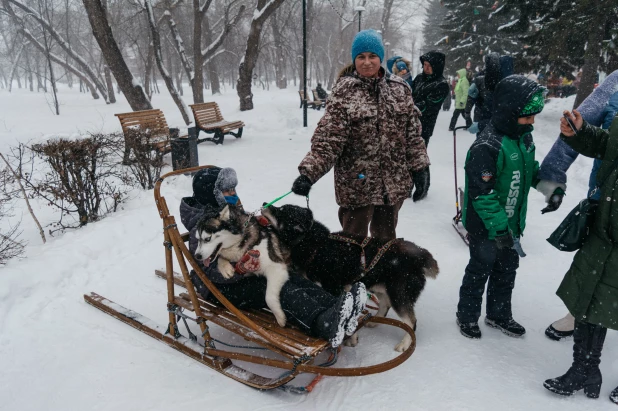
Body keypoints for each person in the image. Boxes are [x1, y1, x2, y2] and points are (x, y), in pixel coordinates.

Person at [180, 166, 367, 348]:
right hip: (220, 289)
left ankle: (337, 307)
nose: (233, 193)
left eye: (233, 188)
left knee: (289, 277)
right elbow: (211, 272)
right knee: (279, 289)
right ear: (211, 195)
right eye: (226, 190)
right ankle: (323, 322)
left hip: (248, 274)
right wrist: (240, 269)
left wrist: (260, 227)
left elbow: (245, 238)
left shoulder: (230, 214)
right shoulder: (202, 229)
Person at [290, 29, 430, 240]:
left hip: (391, 183)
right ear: (354, 60)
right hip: (356, 184)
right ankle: (353, 273)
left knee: (385, 242)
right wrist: (308, 173)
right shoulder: (344, 92)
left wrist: (420, 167)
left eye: (372, 56)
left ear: (380, 58)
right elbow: (329, 139)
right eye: (361, 57)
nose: (367, 62)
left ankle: (381, 272)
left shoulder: (399, 89)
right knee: (351, 243)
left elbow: (412, 136)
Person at [455, 76, 560, 339]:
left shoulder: (523, 139)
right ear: (509, 112)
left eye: (534, 117)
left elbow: (530, 172)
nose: (532, 122)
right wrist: (498, 228)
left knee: (506, 270)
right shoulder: (487, 146)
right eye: (527, 117)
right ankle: (466, 316)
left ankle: (498, 314)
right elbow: (482, 194)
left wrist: (551, 190)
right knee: (480, 269)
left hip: (511, 225)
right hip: (486, 226)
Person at [543, 109, 618, 405]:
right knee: (590, 301)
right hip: (605, 231)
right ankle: (584, 370)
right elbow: (609, 146)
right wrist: (581, 131)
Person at [537, 70, 618, 341]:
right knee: (594, 258)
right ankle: (579, 312)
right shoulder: (616, 82)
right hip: (606, 195)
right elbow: (577, 127)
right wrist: (552, 178)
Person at [464, 53, 514, 135]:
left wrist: (480, 125)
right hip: (484, 123)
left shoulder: (503, 90)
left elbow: (503, 120)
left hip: (497, 137)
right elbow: (487, 107)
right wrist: (477, 99)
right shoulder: (496, 87)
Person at [411, 50, 450, 147]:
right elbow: (409, 94)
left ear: (436, 66)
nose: (426, 68)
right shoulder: (419, 78)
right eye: (425, 64)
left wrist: (410, 108)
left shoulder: (441, 84)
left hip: (423, 127)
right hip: (408, 124)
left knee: (418, 158)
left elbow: (429, 106)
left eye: (429, 65)